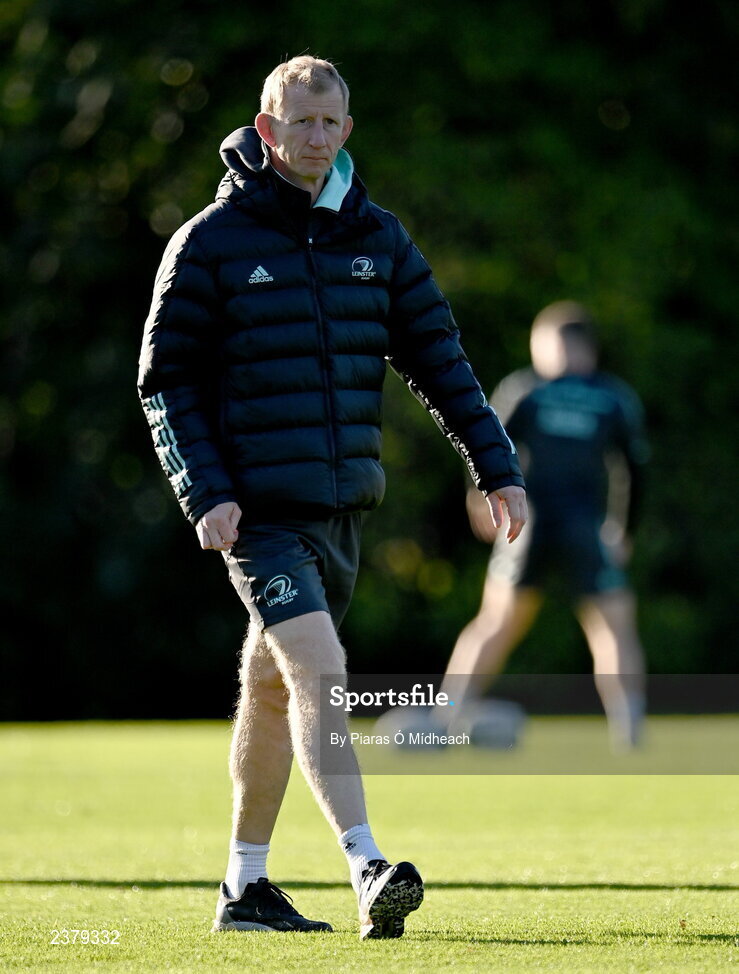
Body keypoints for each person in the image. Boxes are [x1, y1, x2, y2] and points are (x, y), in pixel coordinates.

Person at [137, 55, 527, 939]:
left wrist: (494, 463)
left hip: (342, 505)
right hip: (255, 513)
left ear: (346, 130)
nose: (315, 137)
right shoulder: (209, 241)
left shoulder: (376, 237)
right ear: (266, 130)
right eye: (299, 122)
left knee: (273, 689)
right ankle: (367, 865)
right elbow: (165, 382)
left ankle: (244, 889)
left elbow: (437, 356)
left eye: (329, 123)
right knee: (320, 671)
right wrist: (203, 490)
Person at [438, 301, 649, 752]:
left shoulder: (527, 389)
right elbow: (635, 470)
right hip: (584, 528)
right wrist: (624, 529)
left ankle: (444, 718)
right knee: (612, 627)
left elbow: (485, 442)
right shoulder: (613, 397)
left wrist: (478, 497)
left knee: (495, 623)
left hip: (526, 524)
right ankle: (629, 729)